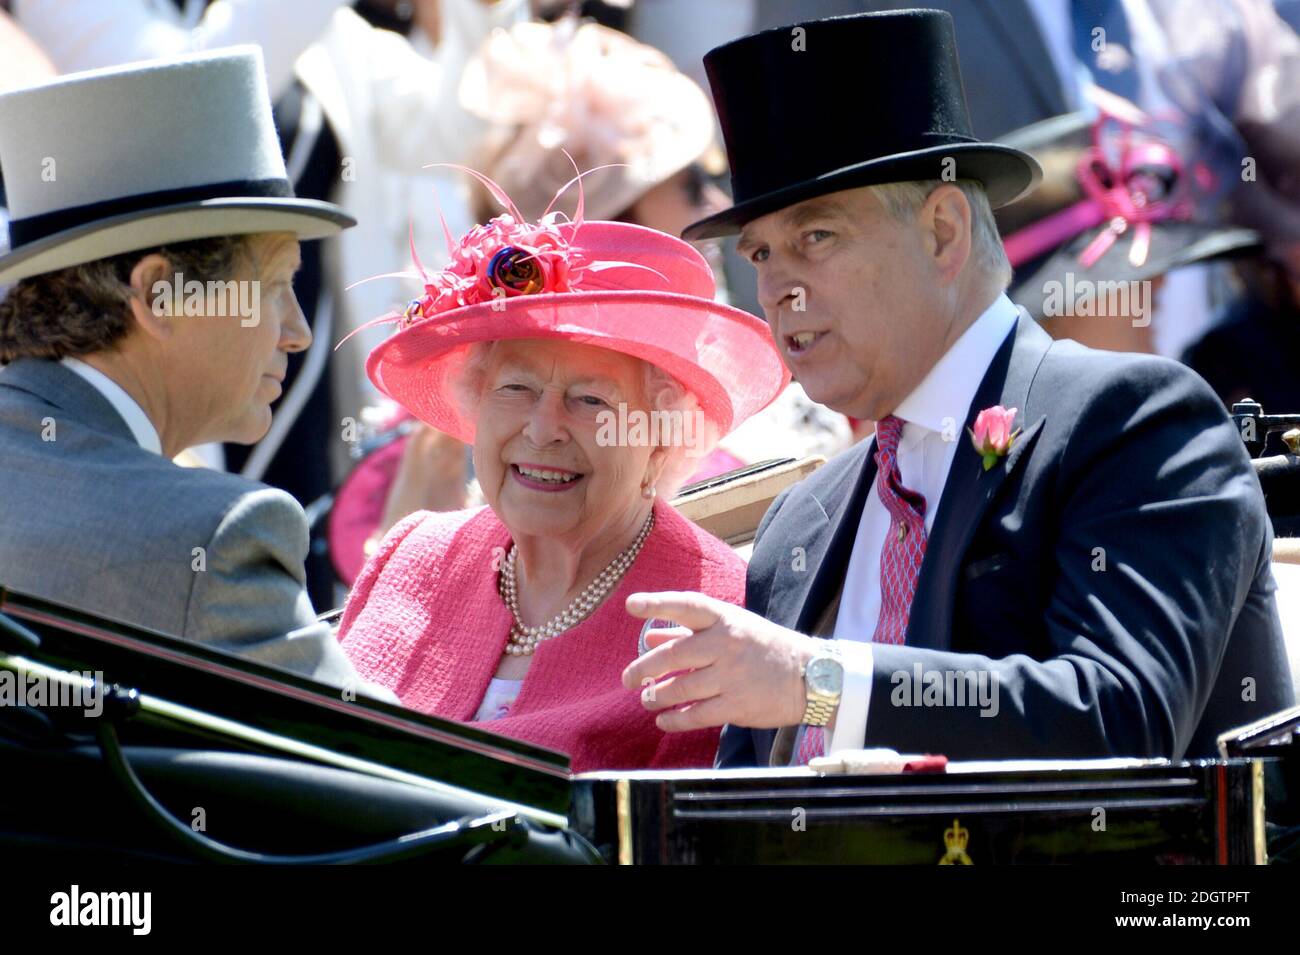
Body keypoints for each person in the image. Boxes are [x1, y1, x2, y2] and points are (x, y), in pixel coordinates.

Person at [622, 10, 1295, 765]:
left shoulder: (1134, 424)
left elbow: (1120, 717)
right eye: (761, 253)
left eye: (816, 237)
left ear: (943, 232)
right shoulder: (797, 526)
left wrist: (820, 683)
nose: (776, 287)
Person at [335, 185, 789, 771]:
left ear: (660, 435)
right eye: (515, 388)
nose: (544, 428)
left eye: (590, 400)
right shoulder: (411, 555)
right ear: (476, 407)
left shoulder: (714, 618)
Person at [0, 48, 389, 698]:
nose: (297, 332)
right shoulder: (212, 534)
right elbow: (407, 780)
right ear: (158, 295)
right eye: (274, 285)